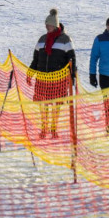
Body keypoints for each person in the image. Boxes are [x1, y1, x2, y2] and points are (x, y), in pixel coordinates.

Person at [28, 9, 76, 138]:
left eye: (48, 25)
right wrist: (30, 73)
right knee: (43, 104)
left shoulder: (65, 39)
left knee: (56, 105)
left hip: (58, 79)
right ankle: (44, 128)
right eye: (46, 25)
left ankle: (54, 128)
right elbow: (36, 59)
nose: (46, 27)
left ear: (55, 25)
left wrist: (73, 77)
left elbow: (72, 59)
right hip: (43, 78)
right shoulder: (42, 39)